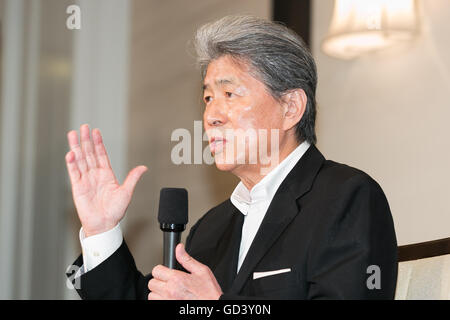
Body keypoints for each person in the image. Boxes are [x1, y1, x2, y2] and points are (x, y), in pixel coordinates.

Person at [65, 16, 397, 300]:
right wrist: (101, 231)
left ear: (291, 107)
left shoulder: (347, 198)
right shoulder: (211, 228)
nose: (211, 115)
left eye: (229, 93)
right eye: (208, 97)